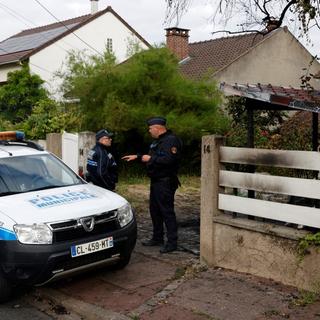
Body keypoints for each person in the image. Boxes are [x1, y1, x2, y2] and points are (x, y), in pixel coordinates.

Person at [122, 117, 182, 253]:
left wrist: (150, 159)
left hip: (165, 182)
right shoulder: (158, 141)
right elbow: (152, 157)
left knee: (167, 212)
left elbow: (169, 160)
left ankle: (172, 243)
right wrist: (138, 157)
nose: (149, 131)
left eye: (150, 129)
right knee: (155, 211)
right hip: (156, 181)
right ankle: (157, 237)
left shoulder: (171, 140)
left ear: (157, 127)